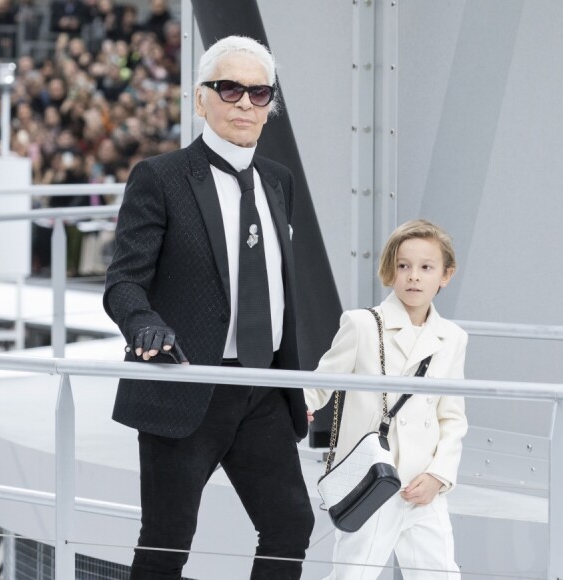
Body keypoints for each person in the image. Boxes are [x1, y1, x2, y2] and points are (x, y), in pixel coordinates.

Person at [103, 35, 314, 579]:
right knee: (168, 541)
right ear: (201, 99)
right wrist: (145, 324)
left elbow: (279, 289)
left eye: (259, 92)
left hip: (262, 390)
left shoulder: (279, 182)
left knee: (291, 523)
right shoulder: (160, 177)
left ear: (270, 106)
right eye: (229, 88)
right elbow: (124, 282)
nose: (245, 102)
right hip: (186, 381)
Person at [306, 219, 468, 579]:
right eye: (403, 266)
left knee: (440, 574)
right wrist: (298, 407)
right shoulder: (363, 324)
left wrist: (440, 474)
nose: (413, 277)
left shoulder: (452, 338)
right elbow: (320, 382)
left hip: (424, 485)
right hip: (372, 480)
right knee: (353, 574)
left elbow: (452, 416)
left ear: (446, 275)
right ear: (389, 270)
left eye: (426, 268)